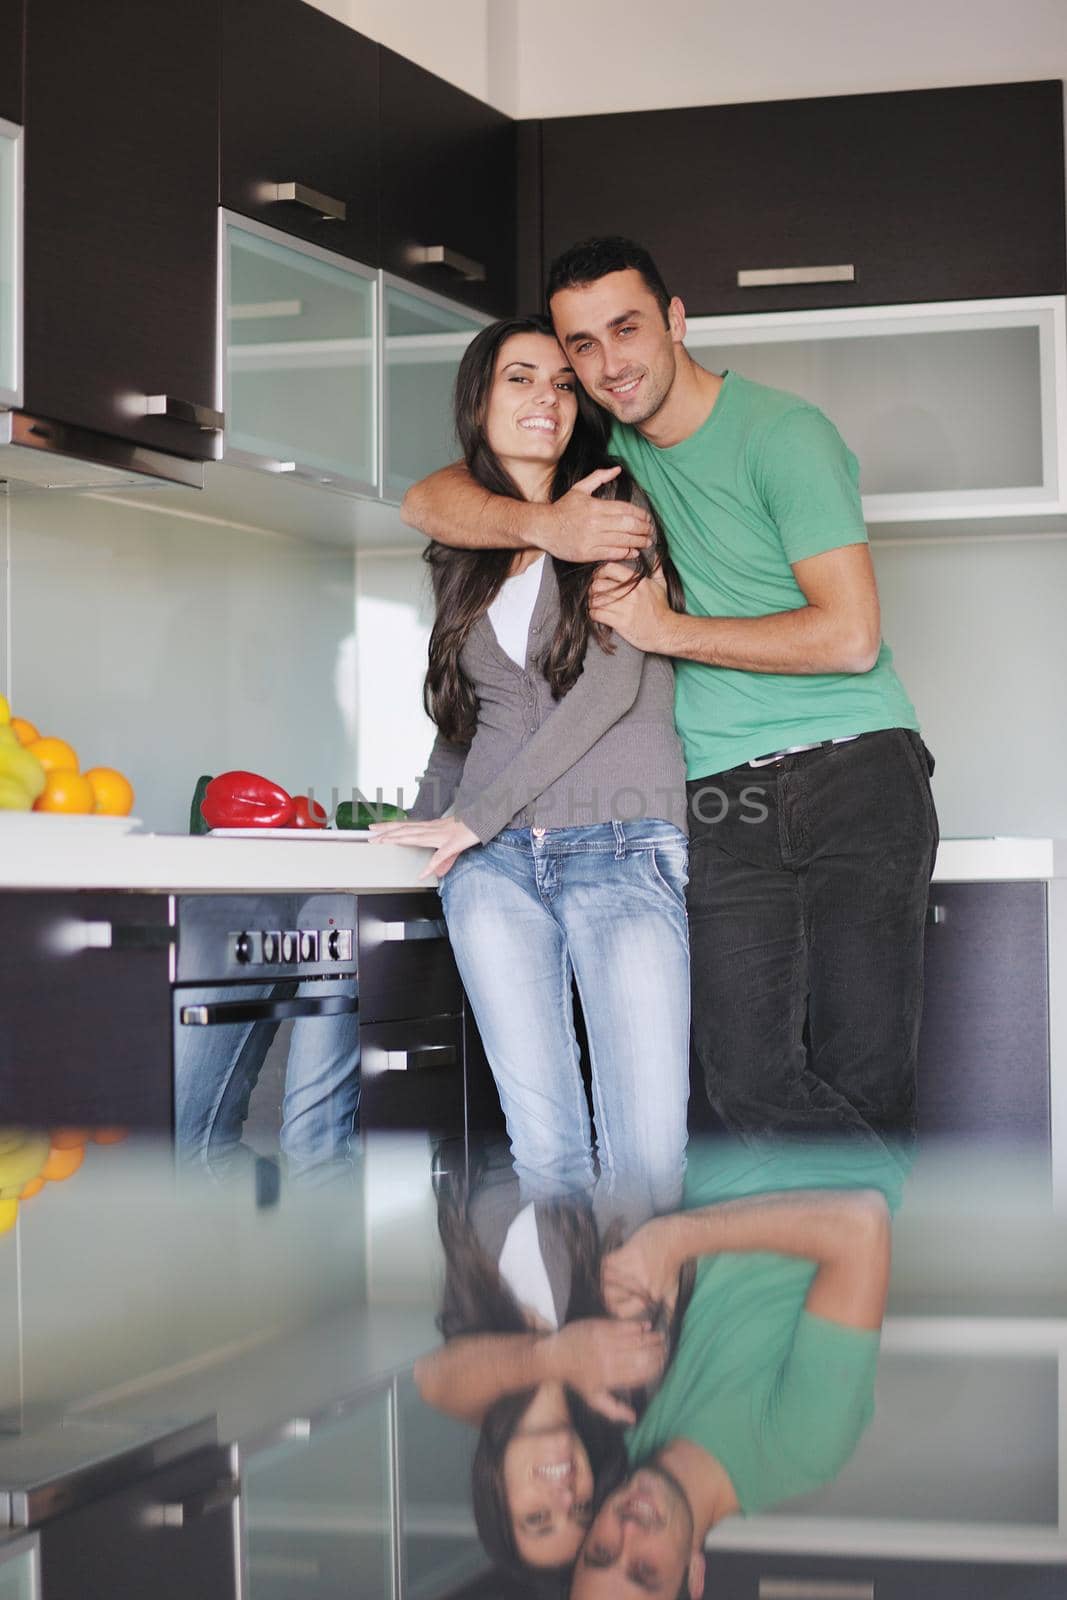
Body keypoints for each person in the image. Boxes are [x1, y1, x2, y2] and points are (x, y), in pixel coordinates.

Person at [401, 237, 939, 1147]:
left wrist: (665, 631)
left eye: (626, 330)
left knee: (860, 1075)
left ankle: (847, 1279)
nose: (607, 366)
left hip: (853, 775)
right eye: (580, 349)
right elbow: (427, 500)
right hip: (717, 796)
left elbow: (850, 640)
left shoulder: (781, 433)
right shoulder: (601, 444)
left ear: (676, 321)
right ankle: (819, 1266)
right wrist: (548, 525)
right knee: (742, 1086)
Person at [371, 313, 691, 1223]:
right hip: (494, 870)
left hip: (624, 850)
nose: (546, 398)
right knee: (545, 1156)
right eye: (520, 379)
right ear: (480, 399)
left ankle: (638, 1368)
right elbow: (467, 727)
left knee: (644, 1168)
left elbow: (613, 686)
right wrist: (424, 825)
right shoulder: (464, 548)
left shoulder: (615, 508)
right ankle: (559, 1367)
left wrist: (475, 816)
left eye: (560, 381)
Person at [572, 1142, 901, 1598]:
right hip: (826, 1119)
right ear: (693, 1576)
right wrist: (678, 1239)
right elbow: (864, 1227)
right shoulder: (801, 1449)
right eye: (645, 1571)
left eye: (602, 1552)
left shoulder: (623, 1431)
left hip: (703, 1127)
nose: (626, 1532)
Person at [415, 1170, 670, 1575]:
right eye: (583, 1510)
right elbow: (636, 1187)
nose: (567, 1498)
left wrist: (557, 1357)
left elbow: (430, 1379)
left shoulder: (474, 1362)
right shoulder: (629, 1385)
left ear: (496, 1494)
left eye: (538, 1517)